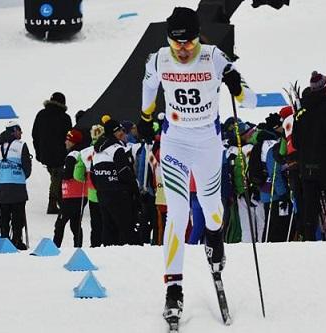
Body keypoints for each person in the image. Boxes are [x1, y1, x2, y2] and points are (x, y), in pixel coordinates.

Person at [137, 7, 257, 322]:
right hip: (175, 143)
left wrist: (235, 83)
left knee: (211, 207)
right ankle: (173, 290)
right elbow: (148, 87)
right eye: (177, 44)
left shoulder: (214, 57)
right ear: (168, 40)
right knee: (177, 214)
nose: (184, 50)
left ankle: (215, 239)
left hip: (207, 145)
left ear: (197, 37)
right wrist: (146, 115)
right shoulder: (159, 59)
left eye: (189, 42)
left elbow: (252, 100)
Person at [292, 71, 326, 241]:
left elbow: (295, 142)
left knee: (310, 206)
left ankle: (309, 238)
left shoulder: (300, 114)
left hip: (307, 167)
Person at [92, 115, 141, 246]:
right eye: (119, 131)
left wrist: (101, 188)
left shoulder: (97, 151)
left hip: (102, 194)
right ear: (113, 133)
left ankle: (110, 255)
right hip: (119, 194)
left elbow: (93, 175)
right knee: (125, 227)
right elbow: (125, 173)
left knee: (108, 227)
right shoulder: (117, 149)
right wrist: (135, 191)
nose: (122, 133)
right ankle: (128, 255)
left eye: (122, 131)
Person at [0, 121, 32, 250]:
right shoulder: (21, 145)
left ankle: (4, 240)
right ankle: (17, 241)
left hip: (2, 185)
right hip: (17, 185)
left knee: (4, 215)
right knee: (18, 216)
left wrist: (5, 171)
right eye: (19, 130)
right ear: (14, 130)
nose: (21, 133)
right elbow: (27, 168)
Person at [32, 92, 72, 214]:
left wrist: (39, 152)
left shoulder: (41, 114)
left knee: (56, 176)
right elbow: (68, 137)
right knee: (57, 176)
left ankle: (59, 202)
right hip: (60, 154)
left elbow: (35, 135)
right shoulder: (65, 118)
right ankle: (53, 203)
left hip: (44, 153)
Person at [53, 129, 88, 248]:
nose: (65, 142)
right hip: (81, 194)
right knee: (76, 224)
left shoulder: (72, 154)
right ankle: (78, 248)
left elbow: (68, 174)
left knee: (60, 224)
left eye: (68, 140)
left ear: (73, 142)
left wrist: (60, 173)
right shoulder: (83, 152)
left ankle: (55, 247)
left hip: (71, 195)